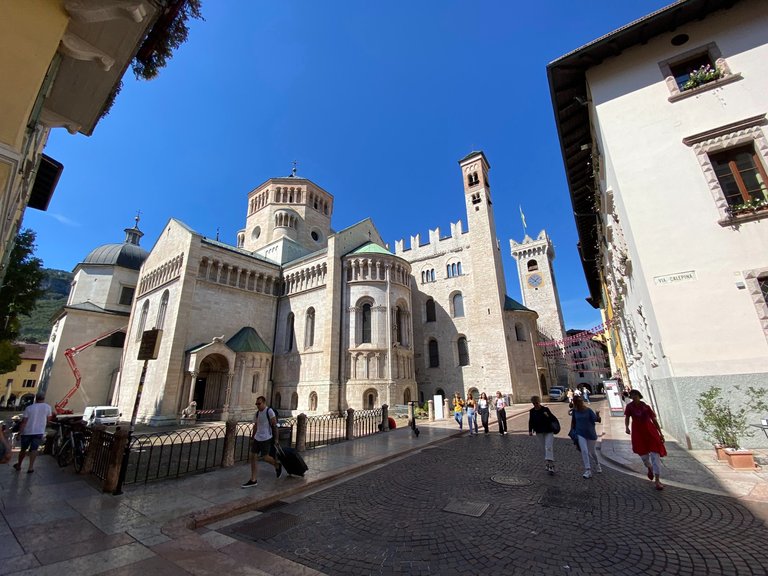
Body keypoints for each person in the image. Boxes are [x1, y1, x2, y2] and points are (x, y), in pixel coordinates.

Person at [624, 389, 667, 490]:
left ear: (639, 395)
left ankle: (657, 480)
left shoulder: (646, 407)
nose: (634, 396)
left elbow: (654, 420)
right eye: (632, 395)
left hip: (650, 432)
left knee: (655, 456)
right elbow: (627, 417)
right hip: (638, 433)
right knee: (643, 456)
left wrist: (660, 434)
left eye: (635, 394)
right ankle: (649, 467)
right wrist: (626, 427)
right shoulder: (629, 407)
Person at [242, 396, 283, 488]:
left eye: (259, 403)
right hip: (257, 437)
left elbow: (275, 425)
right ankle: (253, 479)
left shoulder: (269, 411)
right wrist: (252, 438)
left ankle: (277, 464)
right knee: (253, 457)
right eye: (256, 404)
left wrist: (276, 439)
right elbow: (255, 426)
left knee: (266, 458)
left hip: (266, 437)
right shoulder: (257, 413)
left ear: (264, 403)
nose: (257, 405)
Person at [13, 393, 53, 473]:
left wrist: (19, 433)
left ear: (36, 399)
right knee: (34, 449)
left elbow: (24, 421)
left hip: (27, 431)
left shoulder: (29, 408)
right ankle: (31, 467)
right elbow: (49, 419)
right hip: (39, 431)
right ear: (43, 399)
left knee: (23, 449)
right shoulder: (48, 407)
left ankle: (19, 465)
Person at [570, 395, 601, 478]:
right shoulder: (575, 411)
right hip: (580, 433)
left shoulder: (588, 410)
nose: (579, 403)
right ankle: (588, 470)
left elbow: (596, 419)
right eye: (577, 402)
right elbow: (573, 421)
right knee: (584, 451)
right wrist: (572, 431)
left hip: (590, 433)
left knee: (592, 452)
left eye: (580, 401)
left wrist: (597, 414)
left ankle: (597, 464)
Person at [528, 396, 558, 474]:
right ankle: (547, 463)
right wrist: (530, 431)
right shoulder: (532, 411)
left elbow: (552, 419)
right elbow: (530, 421)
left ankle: (551, 465)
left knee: (548, 447)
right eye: (534, 403)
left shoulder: (545, 409)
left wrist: (547, 415)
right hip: (539, 431)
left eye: (536, 403)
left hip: (548, 431)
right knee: (543, 448)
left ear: (539, 402)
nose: (535, 405)